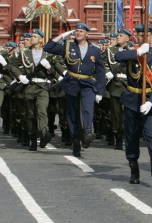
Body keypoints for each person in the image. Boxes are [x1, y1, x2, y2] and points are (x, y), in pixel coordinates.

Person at [44, 23, 106, 157]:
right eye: (76, 31)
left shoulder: (94, 50)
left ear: (87, 34)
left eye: (81, 31)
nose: (78, 33)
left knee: (88, 108)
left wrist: (101, 91)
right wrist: (62, 35)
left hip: (88, 83)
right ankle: (76, 140)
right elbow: (48, 47)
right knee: (72, 114)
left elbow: (101, 72)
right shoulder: (68, 47)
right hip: (72, 83)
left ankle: (88, 131)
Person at [115, 36, 152, 184]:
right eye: (144, 36)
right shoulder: (131, 53)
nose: (148, 39)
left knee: (151, 133)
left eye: (150, 36)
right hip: (132, 100)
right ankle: (134, 168)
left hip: (149, 100)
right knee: (131, 136)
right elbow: (118, 56)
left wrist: (151, 102)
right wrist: (137, 53)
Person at [8, 29, 56, 151]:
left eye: (35, 36)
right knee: (30, 115)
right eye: (32, 36)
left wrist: (49, 67)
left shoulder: (48, 54)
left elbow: (54, 72)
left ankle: (44, 133)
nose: (32, 38)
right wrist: (20, 76)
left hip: (43, 87)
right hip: (28, 86)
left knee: (42, 110)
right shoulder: (23, 53)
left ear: (41, 39)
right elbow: (11, 65)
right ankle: (33, 139)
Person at [103, 28, 132, 150]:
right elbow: (104, 64)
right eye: (118, 35)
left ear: (127, 38)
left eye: (121, 35)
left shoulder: (132, 51)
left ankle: (127, 135)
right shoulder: (110, 50)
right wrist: (108, 72)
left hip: (128, 85)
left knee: (128, 113)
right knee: (115, 113)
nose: (118, 37)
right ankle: (117, 136)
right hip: (115, 85)